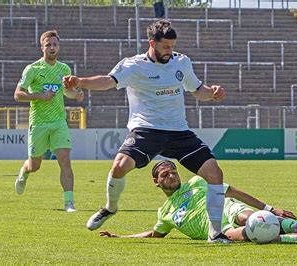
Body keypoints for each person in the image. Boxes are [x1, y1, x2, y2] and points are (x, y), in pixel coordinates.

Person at [63, 19, 230, 243]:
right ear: (152, 43)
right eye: (165, 47)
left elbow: (197, 90)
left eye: (172, 46)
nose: (170, 51)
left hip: (179, 131)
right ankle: (110, 208)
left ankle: (215, 233)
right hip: (146, 130)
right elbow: (107, 81)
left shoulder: (181, 62)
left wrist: (213, 93)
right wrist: (80, 81)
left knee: (215, 174)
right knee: (119, 167)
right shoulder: (134, 65)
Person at [99, 160, 297, 243]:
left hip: (228, 210)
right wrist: (120, 237)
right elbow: (153, 234)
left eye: (173, 172)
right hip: (217, 231)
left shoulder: (197, 181)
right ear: (156, 183)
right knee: (249, 233)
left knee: (249, 217)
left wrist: (269, 208)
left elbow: (235, 193)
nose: (172, 176)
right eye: (165, 175)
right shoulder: (165, 213)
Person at [13, 30, 84, 212]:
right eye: (48, 45)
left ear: (58, 47)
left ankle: (69, 203)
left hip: (59, 122)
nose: (52, 48)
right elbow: (18, 94)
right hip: (39, 123)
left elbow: (66, 91)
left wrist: (75, 95)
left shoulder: (64, 69)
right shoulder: (33, 69)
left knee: (65, 160)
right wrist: (39, 96)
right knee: (34, 165)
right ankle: (24, 172)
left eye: (54, 44)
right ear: (42, 47)